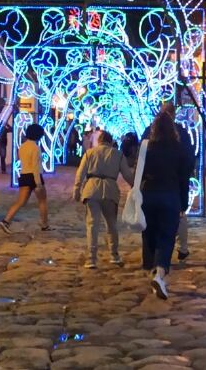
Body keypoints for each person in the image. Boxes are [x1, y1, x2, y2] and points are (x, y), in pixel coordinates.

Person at [140, 110, 193, 299]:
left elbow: (139, 172)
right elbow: (184, 176)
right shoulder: (179, 149)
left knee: (149, 233)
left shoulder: (147, 147)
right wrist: (183, 202)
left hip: (149, 194)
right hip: (170, 195)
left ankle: (151, 268)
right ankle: (160, 271)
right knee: (167, 235)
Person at [73, 130, 131, 269]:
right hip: (110, 190)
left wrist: (76, 190)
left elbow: (80, 173)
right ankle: (114, 255)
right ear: (111, 141)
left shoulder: (90, 153)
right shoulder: (118, 154)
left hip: (91, 189)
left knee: (92, 225)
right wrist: (136, 187)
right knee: (111, 224)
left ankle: (91, 258)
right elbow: (128, 175)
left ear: (98, 141)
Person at [0, 124, 52, 233]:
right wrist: (38, 183)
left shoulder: (22, 147)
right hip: (34, 176)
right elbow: (35, 167)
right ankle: (44, 224)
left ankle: (6, 220)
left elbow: (22, 161)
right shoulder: (35, 148)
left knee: (20, 201)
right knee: (42, 201)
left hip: (24, 175)